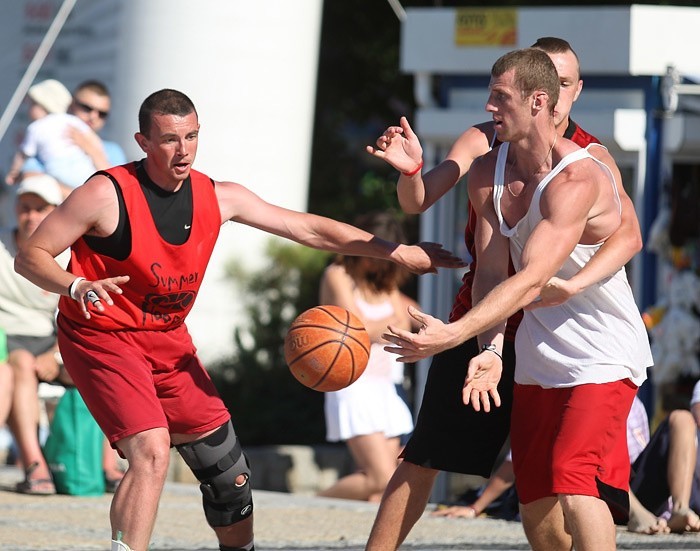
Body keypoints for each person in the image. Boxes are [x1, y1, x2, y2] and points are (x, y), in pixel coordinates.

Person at [13, 88, 463, 551]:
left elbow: (306, 227)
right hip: (101, 336)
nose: (183, 149)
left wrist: (398, 251)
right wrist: (75, 285)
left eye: (191, 136)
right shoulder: (105, 194)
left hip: (168, 340)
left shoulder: (218, 196)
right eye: (169, 139)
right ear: (143, 142)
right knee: (151, 451)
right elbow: (31, 255)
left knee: (229, 477)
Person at [363, 37, 643, 550]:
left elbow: (627, 234)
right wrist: (485, 345)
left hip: (581, 339)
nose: (492, 107)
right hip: (500, 326)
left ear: (564, 94)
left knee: (574, 478)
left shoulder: (586, 163)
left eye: (563, 83)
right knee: (471, 472)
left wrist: (576, 283)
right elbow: (433, 212)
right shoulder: (487, 155)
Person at [318, 212, 415, 502]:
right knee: (380, 477)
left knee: (386, 488)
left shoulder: (384, 283)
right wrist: (389, 323)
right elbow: (356, 330)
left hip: (384, 386)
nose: (375, 261)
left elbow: (404, 324)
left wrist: (380, 326)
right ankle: (315, 501)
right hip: (354, 385)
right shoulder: (338, 275)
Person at [0, 174, 70, 494]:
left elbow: (78, 317)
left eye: (40, 209)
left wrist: (55, 354)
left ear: (55, 211)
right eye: (25, 207)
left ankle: (105, 466)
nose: (31, 216)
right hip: (8, 339)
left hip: (50, 339)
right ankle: (34, 463)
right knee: (20, 364)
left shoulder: (67, 254)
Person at [5, 79, 107, 194]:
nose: (93, 116)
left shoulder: (35, 127)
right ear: (72, 105)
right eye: (86, 108)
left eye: (102, 114)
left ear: (42, 105)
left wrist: (13, 172)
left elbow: (22, 155)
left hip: (57, 169)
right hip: (84, 172)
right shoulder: (72, 121)